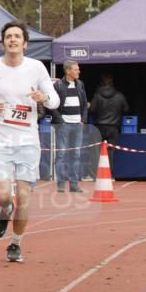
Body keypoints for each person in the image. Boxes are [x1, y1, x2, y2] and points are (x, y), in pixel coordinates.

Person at [0, 21, 59, 263]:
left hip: (27, 142)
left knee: (24, 196)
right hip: (0, 140)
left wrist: (44, 97)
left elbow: (54, 100)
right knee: (2, 194)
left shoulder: (37, 68)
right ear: (3, 43)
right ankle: (5, 208)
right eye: (8, 37)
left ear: (25, 43)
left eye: (17, 37)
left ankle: (15, 244)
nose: (12, 40)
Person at [52, 59, 88, 193]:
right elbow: (52, 105)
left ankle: (74, 185)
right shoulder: (58, 85)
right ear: (68, 71)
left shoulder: (80, 84)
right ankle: (61, 184)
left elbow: (84, 104)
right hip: (64, 125)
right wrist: (60, 121)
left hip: (77, 125)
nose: (79, 71)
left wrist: (83, 120)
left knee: (76, 155)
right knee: (61, 155)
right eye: (76, 69)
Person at [90, 74, 129, 167]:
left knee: (97, 151)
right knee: (111, 151)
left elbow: (91, 110)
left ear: (101, 83)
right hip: (113, 128)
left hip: (99, 127)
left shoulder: (97, 95)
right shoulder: (119, 95)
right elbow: (126, 109)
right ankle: (110, 175)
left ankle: (96, 173)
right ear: (112, 83)